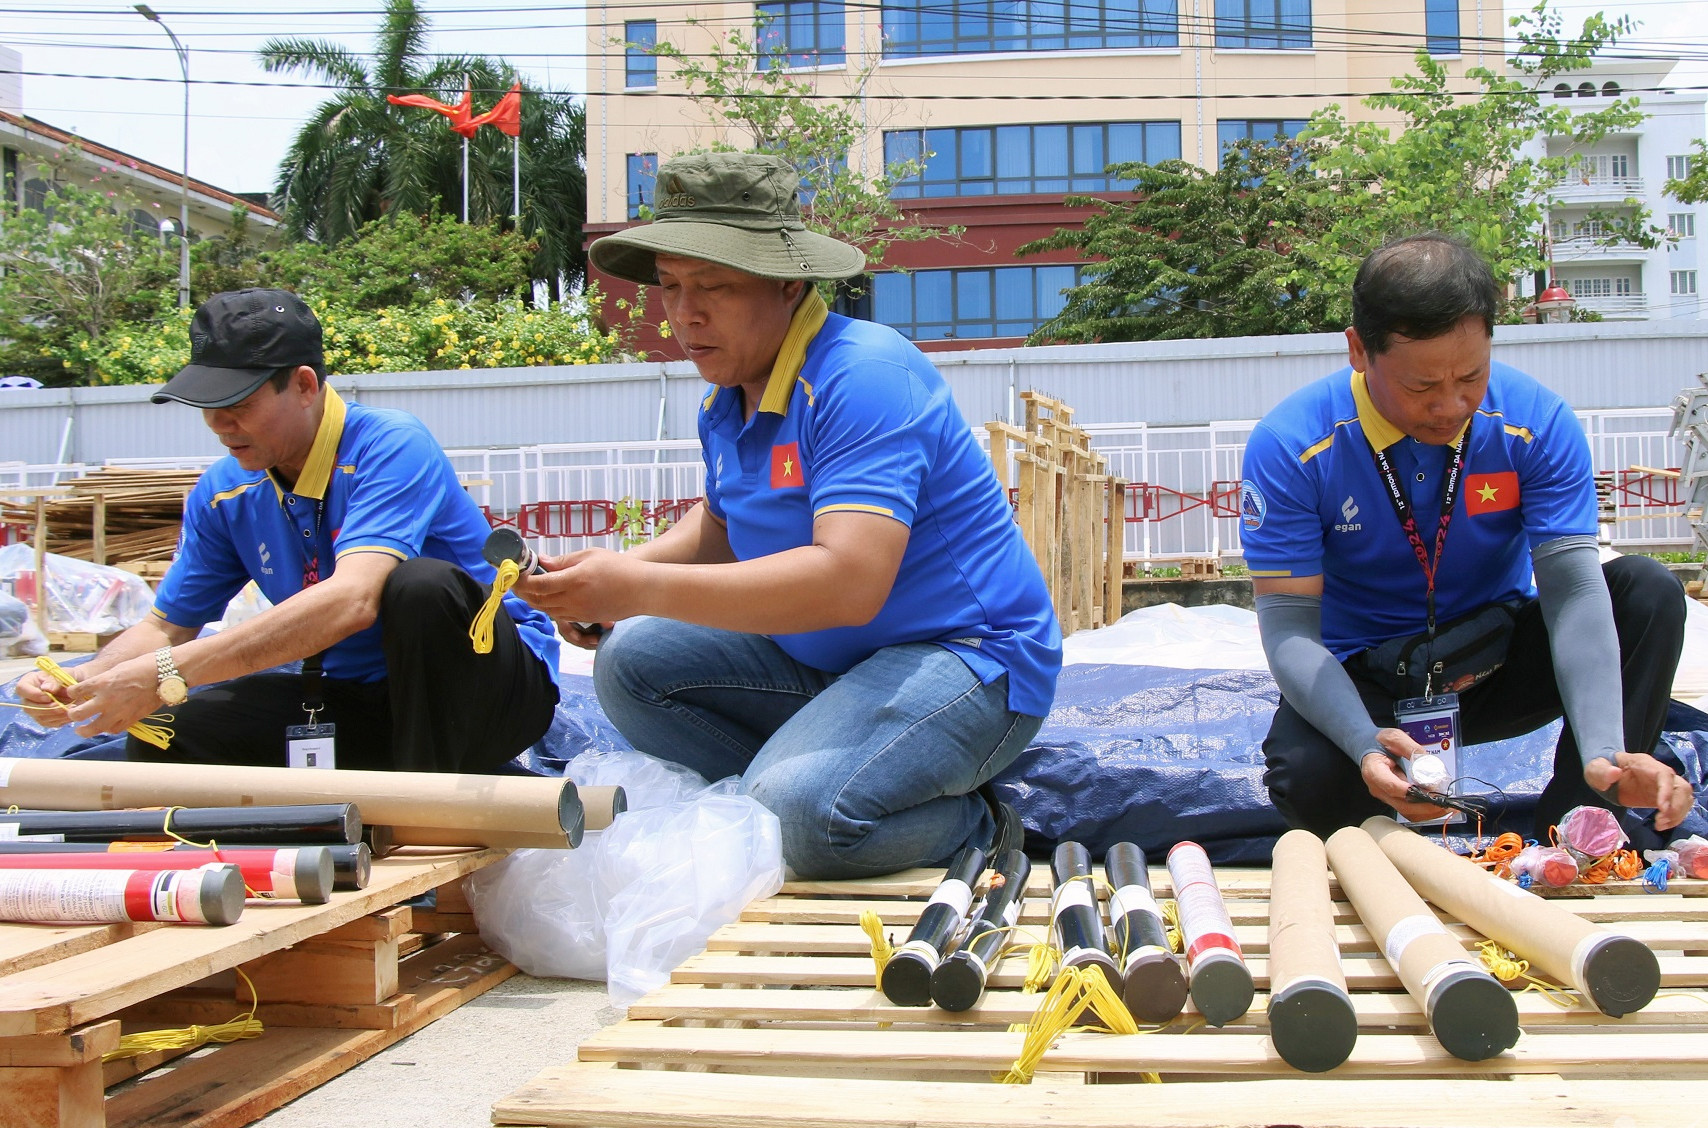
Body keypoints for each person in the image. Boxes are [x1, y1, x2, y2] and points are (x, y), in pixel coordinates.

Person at [513, 151, 1061, 879]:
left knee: (800, 821)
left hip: (966, 660)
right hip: (826, 662)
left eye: (714, 286)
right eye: (672, 287)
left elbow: (848, 581)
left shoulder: (862, 377)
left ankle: (972, 823)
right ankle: (820, 782)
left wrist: (635, 588)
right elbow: (720, 525)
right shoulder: (730, 395)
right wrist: (608, 574)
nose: (685, 313)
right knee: (632, 659)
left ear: (788, 282)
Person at [1244, 234, 1692, 847]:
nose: (1451, 405)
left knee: (1646, 590)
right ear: (1358, 351)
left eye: (1472, 377)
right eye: (1422, 387)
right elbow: (1290, 629)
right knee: (1308, 778)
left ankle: (1579, 833)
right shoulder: (1293, 445)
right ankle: (1377, 829)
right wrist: (1361, 743)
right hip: (1369, 682)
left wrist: (1604, 748)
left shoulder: (1535, 423)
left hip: (1494, 658)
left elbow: (1573, 593)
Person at [15, 288, 560, 773]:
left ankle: (428, 817)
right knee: (167, 739)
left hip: (482, 693)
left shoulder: (389, 444)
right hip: (354, 697)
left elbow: (353, 601)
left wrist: (159, 674)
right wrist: (85, 680)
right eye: (206, 406)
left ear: (303, 385)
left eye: (238, 405)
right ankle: (387, 798)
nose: (219, 425)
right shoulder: (224, 492)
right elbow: (165, 630)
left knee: (420, 587)